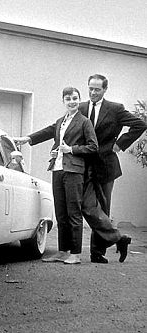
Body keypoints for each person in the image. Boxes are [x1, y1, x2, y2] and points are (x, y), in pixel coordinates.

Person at [15, 87, 98, 264]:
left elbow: (93, 147)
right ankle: (63, 251)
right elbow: (47, 132)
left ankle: (75, 254)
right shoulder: (61, 121)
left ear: (79, 99)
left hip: (74, 171)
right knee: (60, 213)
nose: (72, 102)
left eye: (75, 98)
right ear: (63, 101)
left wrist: (72, 149)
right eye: (68, 99)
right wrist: (27, 139)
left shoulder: (84, 122)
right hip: (58, 169)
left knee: (73, 213)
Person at [78, 74, 147, 263]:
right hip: (83, 165)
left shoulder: (115, 109)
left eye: (97, 89)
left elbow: (140, 124)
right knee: (87, 206)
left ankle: (97, 253)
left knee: (103, 207)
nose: (93, 92)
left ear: (105, 90)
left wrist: (120, 144)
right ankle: (118, 238)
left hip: (106, 166)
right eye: (90, 88)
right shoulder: (81, 108)